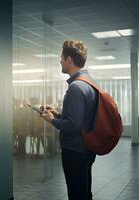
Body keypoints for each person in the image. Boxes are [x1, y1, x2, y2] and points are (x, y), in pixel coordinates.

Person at [40, 40, 98, 200]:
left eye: (61, 57)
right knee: (84, 192)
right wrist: (57, 114)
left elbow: (74, 124)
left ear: (69, 60)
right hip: (86, 149)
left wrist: (52, 120)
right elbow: (81, 118)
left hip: (74, 151)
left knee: (76, 195)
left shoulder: (76, 87)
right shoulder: (89, 83)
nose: (60, 61)